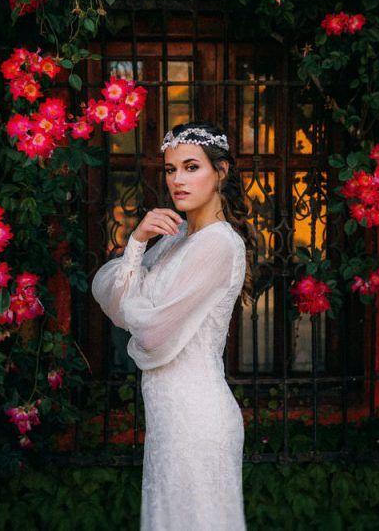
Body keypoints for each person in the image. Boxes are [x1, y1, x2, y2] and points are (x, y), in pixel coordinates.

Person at [90, 121, 257, 530]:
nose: (177, 180)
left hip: (196, 416)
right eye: (170, 169)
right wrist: (137, 241)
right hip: (168, 416)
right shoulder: (175, 237)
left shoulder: (218, 243)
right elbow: (115, 298)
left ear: (221, 171)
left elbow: (150, 332)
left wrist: (142, 300)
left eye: (191, 167)